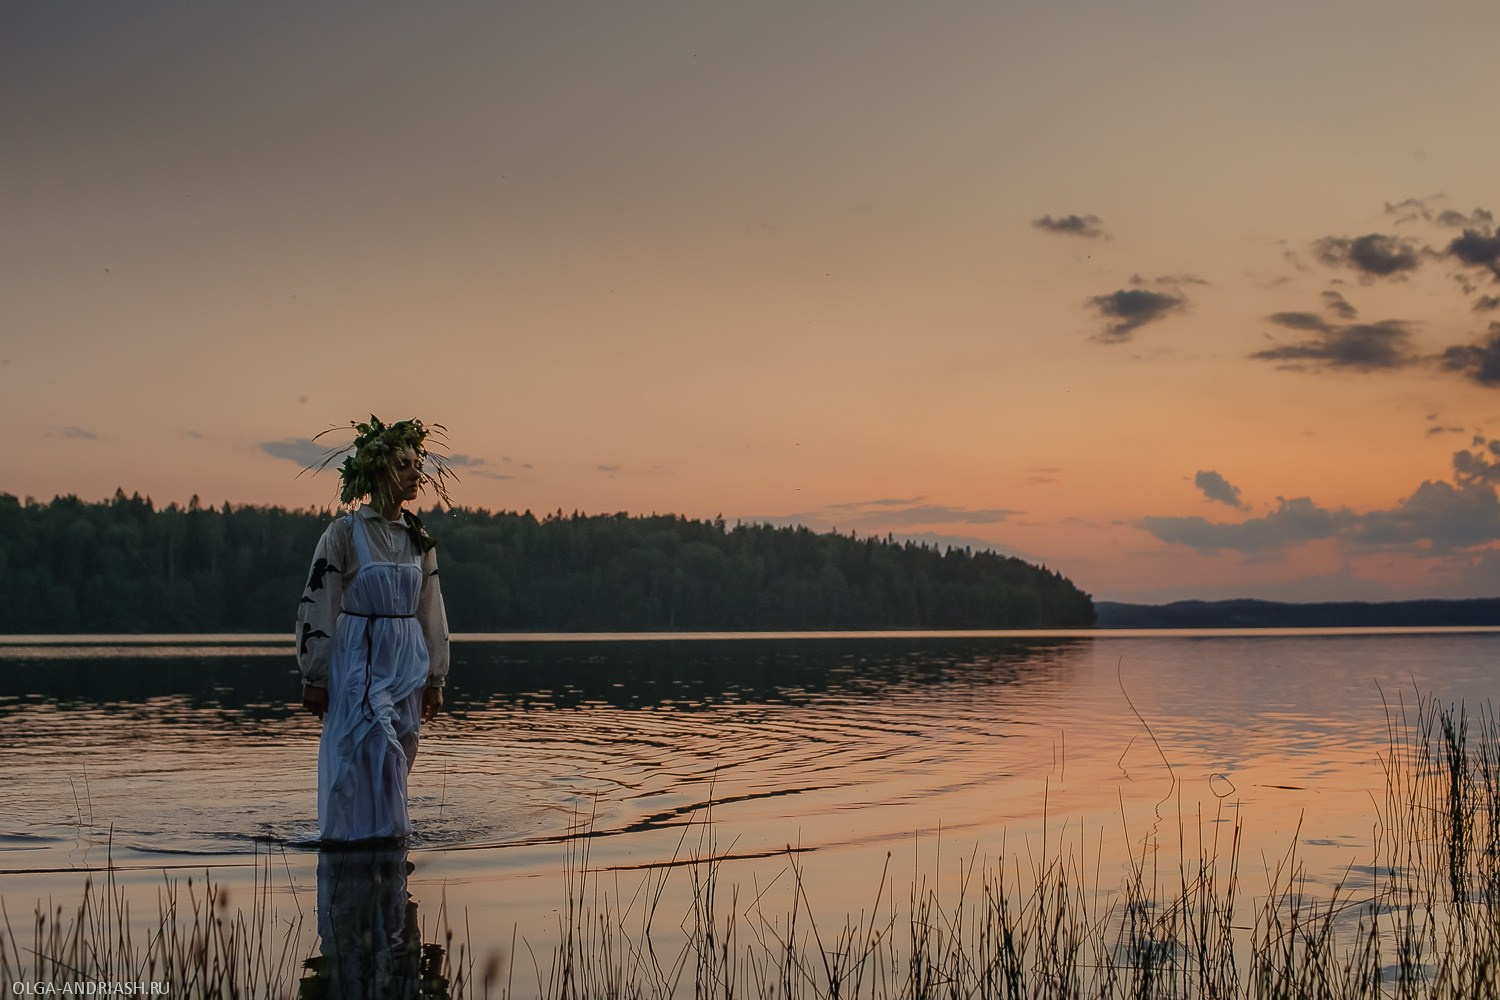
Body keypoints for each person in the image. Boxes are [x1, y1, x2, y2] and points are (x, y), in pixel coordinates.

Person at [296, 416, 455, 843]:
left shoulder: (417, 537)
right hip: (359, 658)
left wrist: (435, 677)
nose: (414, 473)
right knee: (364, 747)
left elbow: (430, 609)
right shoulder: (345, 534)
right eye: (403, 464)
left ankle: (389, 866)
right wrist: (315, 675)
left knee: (400, 750)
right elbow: (320, 602)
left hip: (406, 661)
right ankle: (357, 840)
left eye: (416, 463)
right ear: (376, 470)